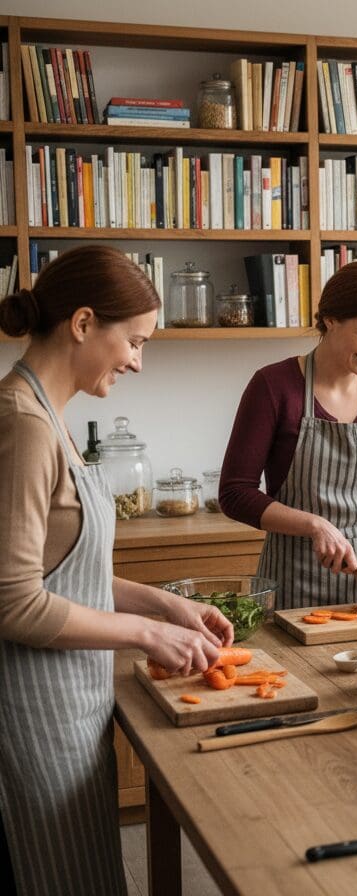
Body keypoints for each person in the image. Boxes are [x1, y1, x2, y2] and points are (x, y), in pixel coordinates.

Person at [0, 245, 233, 895]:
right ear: (81, 325)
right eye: (133, 340)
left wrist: (163, 605)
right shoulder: (23, 424)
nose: (137, 360)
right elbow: (15, 602)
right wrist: (150, 637)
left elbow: (61, 572)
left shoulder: (51, 416)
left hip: (72, 698)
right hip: (34, 710)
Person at [220, 261, 357, 610]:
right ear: (330, 320)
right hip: (294, 585)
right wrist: (315, 525)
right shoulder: (274, 386)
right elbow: (234, 493)